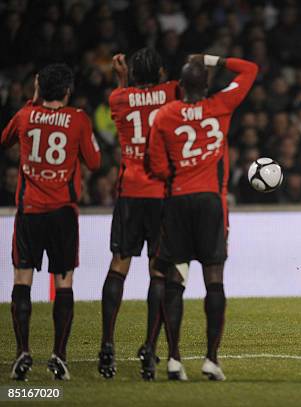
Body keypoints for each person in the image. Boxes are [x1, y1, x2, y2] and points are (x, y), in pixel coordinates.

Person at [147, 54, 258, 380]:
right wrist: (212, 58)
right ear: (207, 85)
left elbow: (156, 166)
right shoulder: (220, 105)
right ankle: (211, 359)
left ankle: (174, 359)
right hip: (210, 204)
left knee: (175, 280)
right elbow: (250, 69)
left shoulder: (165, 115)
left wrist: (178, 174)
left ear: (180, 87)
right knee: (214, 279)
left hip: (179, 202)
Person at [1, 64, 101, 380]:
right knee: (64, 283)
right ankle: (59, 355)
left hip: (29, 211)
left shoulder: (25, 115)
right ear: (68, 91)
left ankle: (22, 352)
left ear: (38, 89)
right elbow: (95, 162)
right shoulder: (78, 119)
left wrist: (32, 102)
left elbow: (4, 141)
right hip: (63, 213)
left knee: (22, 279)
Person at [98, 48, 181, 380]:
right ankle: (149, 349)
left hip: (130, 192)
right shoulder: (171, 91)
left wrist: (121, 78)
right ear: (160, 73)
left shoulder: (118, 99)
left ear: (132, 74)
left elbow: (128, 96)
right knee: (158, 273)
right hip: (162, 194)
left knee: (118, 266)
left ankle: (106, 345)